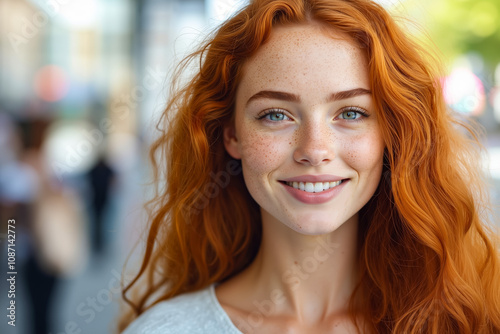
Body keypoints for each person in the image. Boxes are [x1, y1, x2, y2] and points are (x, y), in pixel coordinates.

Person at [119, 0, 500, 333]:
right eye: (275, 115)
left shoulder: (473, 318)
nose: (314, 150)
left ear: (391, 133)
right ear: (231, 135)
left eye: (351, 112)